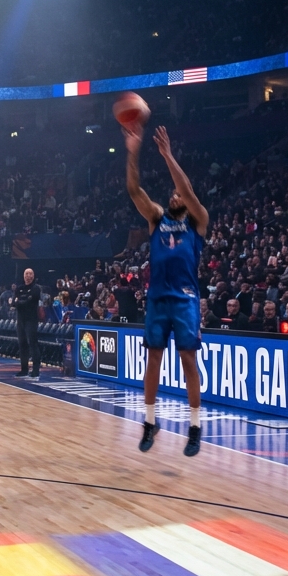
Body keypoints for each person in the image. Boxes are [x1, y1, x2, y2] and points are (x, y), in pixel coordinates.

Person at [126, 124, 208, 457]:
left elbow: (186, 189)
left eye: (178, 195)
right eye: (171, 194)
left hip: (186, 299)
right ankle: (149, 421)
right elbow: (134, 190)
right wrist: (133, 150)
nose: (174, 195)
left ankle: (194, 427)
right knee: (153, 359)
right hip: (158, 298)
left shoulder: (198, 220)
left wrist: (167, 155)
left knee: (188, 359)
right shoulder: (157, 219)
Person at [13, 268, 42, 378]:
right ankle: (24, 369)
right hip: (20, 320)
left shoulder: (36, 288)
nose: (28, 276)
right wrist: (20, 301)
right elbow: (14, 303)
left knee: (33, 344)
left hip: (31, 320)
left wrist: (19, 301)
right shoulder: (19, 288)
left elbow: (28, 302)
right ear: (23, 276)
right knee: (22, 344)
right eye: (26, 274)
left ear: (33, 276)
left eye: (30, 274)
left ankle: (35, 370)